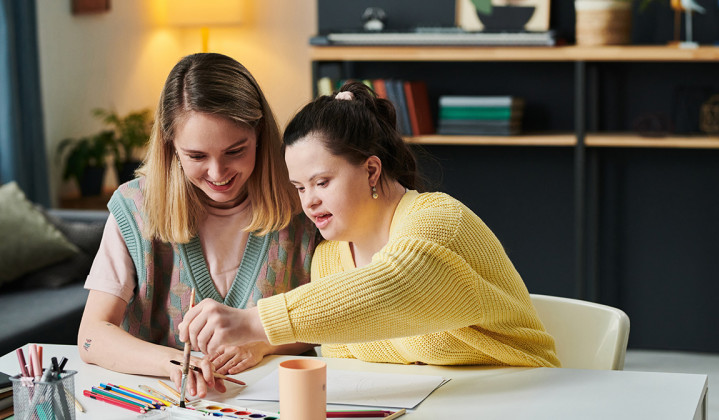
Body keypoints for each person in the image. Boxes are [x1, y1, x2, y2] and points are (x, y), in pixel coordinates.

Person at [178, 81, 560, 368]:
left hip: (530, 397)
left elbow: (395, 286)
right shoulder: (328, 259)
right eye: (300, 187)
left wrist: (254, 322)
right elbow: (352, 372)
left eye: (322, 182)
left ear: (371, 170)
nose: (309, 201)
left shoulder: (438, 220)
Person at [78, 53, 318, 398]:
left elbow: (339, 315)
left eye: (235, 151)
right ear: (171, 146)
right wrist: (175, 363)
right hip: (164, 402)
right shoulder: (135, 207)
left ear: (259, 134)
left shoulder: (305, 201)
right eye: (197, 156)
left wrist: (264, 343)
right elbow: (91, 336)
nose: (218, 173)